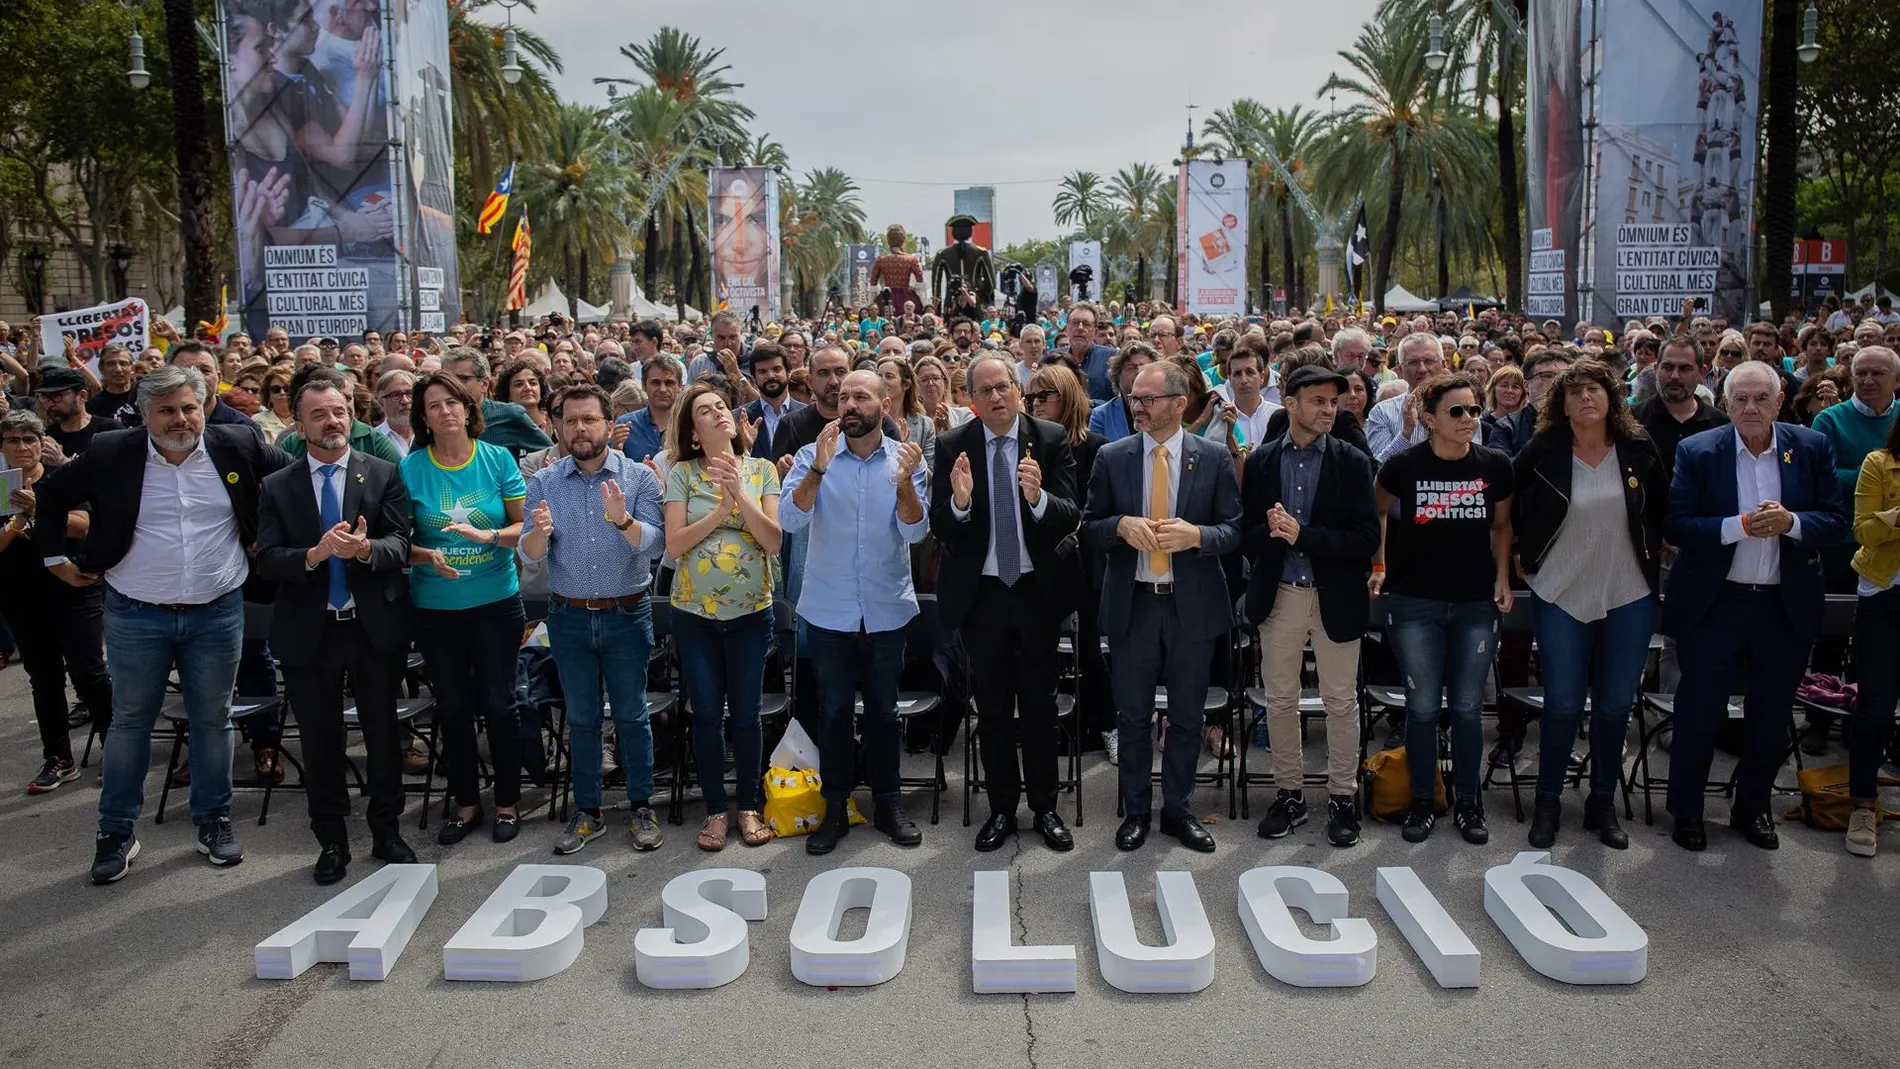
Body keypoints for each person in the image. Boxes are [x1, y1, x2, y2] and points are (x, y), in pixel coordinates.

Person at [34, 366, 293, 884]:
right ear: (146, 414)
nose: (181, 419)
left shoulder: (237, 443)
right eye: (168, 410)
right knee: (131, 723)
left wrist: (270, 541)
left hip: (217, 611)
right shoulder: (111, 452)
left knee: (213, 719)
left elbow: (293, 481)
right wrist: (54, 558)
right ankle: (116, 832)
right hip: (135, 612)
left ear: (205, 406)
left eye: (190, 408)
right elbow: (52, 494)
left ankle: (214, 820)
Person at [1662, 362, 1848, 852]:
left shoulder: (1810, 447)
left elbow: (1835, 522)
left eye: (1760, 398)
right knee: (1699, 714)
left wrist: (1792, 522)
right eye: (1740, 398)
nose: (1750, 408)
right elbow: (1677, 526)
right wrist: (1739, 526)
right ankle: (1687, 811)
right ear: (1725, 403)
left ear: (1779, 399)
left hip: (1782, 607)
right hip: (1716, 605)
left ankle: (1753, 809)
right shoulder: (1698, 450)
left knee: (1769, 719)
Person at [254, 374, 416, 884]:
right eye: (319, 414)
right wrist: (314, 555)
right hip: (311, 631)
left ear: (352, 415)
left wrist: (366, 550)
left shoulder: (383, 472)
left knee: (382, 734)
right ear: (298, 425)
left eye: (339, 411)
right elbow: (267, 560)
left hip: (372, 629)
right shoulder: (276, 486)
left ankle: (387, 829)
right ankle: (331, 839)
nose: (332, 422)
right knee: (321, 740)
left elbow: (402, 545)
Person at [1082, 360, 1241, 854]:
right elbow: (1089, 525)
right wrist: (1118, 528)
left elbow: (1235, 530)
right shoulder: (1113, 455)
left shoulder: (1212, 457)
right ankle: (1135, 812)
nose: (1139, 407)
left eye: (1149, 399)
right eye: (1134, 398)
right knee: (1132, 717)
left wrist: (1198, 536)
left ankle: (1178, 809)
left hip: (1190, 607)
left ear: (1180, 403)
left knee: (1188, 716)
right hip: (1135, 607)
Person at [1511, 360, 1667, 850]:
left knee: (1615, 704)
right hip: (1561, 588)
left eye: (1595, 389)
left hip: (1628, 590)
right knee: (1560, 703)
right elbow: (1513, 508)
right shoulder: (1542, 449)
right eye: (1574, 391)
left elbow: (1660, 511)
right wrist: (1522, 553)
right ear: (1561, 402)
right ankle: (1548, 802)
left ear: (1611, 397)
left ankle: (1603, 802)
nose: (1585, 398)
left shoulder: (1638, 449)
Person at [931, 354, 1080, 853]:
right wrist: (959, 501)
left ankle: (1045, 808)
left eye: (1004, 387)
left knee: (1039, 707)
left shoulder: (1051, 439)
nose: (997, 397)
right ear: (971, 399)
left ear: (1019, 390)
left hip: (1036, 593)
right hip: (983, 595)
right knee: (991, 709)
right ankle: (1000, 809)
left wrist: (1037, 499)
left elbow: (1070, 513)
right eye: (985, 390)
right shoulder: (954, 445)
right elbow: (942, 528)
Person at [779, 369, 929, 855]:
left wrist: (906, 484)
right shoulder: (811, 457)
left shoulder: (905, 459)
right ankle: (835, 807)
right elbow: (790, 519)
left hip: (885, 608)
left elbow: (915, 533)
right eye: (843, 397)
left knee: (885, 712)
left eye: (860, 397)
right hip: (829, 609)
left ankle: (888, 803)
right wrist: (818, 470)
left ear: (884, 406)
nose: (848, 404)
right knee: (835, 711)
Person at [518, 383, 667, 855]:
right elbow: (529, 553)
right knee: (581, 719)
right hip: (569, 616)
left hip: (627, 613)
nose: (580, 429)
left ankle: (642, 806)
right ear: (558, 426)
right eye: (571, 421)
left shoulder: (639, 479)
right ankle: (588, 812)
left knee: (631, 714)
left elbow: (656, 545)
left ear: (609, 424)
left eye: (589, 419)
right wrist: (538, 537)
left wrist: (622, 520)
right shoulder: (544, 481)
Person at [1371, 373, 1514, 845]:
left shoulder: (1495, 466)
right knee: (1423, 707)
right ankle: (1421, 800)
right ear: (1428, 419)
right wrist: (1379, 563)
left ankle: (1469, 803)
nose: (1469, 419)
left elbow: (1501, 527)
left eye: (1474, 410)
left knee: (1471, 708)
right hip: (1414, 602)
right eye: (1457, 411)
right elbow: (1377, 509)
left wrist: (1501, 580)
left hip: (1476, 603)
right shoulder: (1402, 465)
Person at [1241, 365, 1379, 847]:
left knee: (1341, 702)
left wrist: (1306, 536)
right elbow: (1246, 537)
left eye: (1332, 401)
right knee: (1281, 701)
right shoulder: (1260, 462)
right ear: (1290, 401)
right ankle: (1290, 794)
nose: (1327, 409)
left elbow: (1367, 539)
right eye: (1317, 400)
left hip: (1335, 596)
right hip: (1279, 594)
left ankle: (1343, 797)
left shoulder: (1353, 461)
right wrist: (1274, 533)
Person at [400, 371, 530, 847]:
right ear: (425, 418)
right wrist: (423, 554)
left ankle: (508, 803)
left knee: (500, 703)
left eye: (453, 402)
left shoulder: (496, 459)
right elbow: (399, 539)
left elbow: (527, 527)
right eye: (434, 405)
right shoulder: (410, 468)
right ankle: (465, 803)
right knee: (452, 707)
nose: (445, 411)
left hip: (496, 601)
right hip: (435, 607)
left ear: (468, 409)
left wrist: (490, 537)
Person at [663, 383, 781, 852]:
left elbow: (772, 540)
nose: (718, 414)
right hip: (694, 614)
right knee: (708, 713)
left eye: (720, 407)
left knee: (748, 715)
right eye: (705, 412)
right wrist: (721, 511)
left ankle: (748, 806)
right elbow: (674, 545)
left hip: (752, 612)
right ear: (694, 433)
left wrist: (740, 495)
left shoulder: (762, 469)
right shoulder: (682, 475)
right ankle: (715, 809)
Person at [0, 411, 113, 794]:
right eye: (13, 440)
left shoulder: (61, 479)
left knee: (88, 672)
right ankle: (59, 758)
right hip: (21, 595)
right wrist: (16, 522)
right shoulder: (0, 487)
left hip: (74, 589)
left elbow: (84, 525)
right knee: (43, 679)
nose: (21, 447)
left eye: (29, 439)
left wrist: (39, 508)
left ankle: (115, 748)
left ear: (41, 443)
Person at [1844, 413, 1900, 856]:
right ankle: (1863, 805)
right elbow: (1862, 529)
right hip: (1884, 596)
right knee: (1876, 707)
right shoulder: (1879, 463)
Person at [1634, 336, 1728, 476]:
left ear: (1701, 372)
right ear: (1656, 368)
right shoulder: (1632, 420)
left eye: (1685, 369)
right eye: (1667, 367)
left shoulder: (1721, 425)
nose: (1675, 376)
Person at [442, 348, 553, 458]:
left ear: (485, 384)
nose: (452, 384)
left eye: (462, 379)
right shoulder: (435, 416)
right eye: (447, 379)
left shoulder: (509, 415)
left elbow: (551, 454)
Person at [1365, 333, 1448, 462]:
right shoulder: (1382, 412)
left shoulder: (1463, 408)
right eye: (1413, 363)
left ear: (1443, 364)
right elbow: (1378, 467)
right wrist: (1406, 432)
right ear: (1399, 370)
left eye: (1429, 361)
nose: (1422, 369)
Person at [1490, 347, 1578, 456]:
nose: (1557, 383)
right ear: (1527, 385)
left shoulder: (1581, 421)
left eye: (1563, 377)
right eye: (1547, 376)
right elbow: (1501, 470)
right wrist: (1538, 441)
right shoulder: (1507, 426)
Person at [36, 367, 123, 459]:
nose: (50, 403)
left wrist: (62, 462)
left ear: (82, 396)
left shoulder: (110, 431)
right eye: (44, 396)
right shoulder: (46, 438)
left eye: (57, 396)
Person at [616, 352, 683, 464]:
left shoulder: (690, 424)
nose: (662, 389)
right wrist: (615, 450)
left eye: (669, 383)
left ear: (680, 386)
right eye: (655, 383)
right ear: (643, 385)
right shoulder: (626, 425)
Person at [741, 340, 801, 461]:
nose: (770, 376)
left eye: (776, 369)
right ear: (754, 377)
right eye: (762, 371)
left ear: (788, 372)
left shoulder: (808, 414)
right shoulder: (740, 419)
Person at [876, 354, 937, 468]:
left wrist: (906, 451)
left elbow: (930, 477)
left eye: (889, 376)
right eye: (879, 376)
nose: (882, 381)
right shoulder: (870, 418)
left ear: (906, 384)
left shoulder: (925, 425)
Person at [1064, 305, 1119, 402]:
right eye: (1075, 323)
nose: (1080, 328)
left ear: (1095, 331)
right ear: (1067, 328)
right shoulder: (1054, 358)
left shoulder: (1112, 357)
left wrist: (1091, 404)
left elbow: (1120, 400)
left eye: (1086, 324)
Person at [498, 360, 553, 437]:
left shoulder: (554, 419)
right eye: (519, 385)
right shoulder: (501, 428)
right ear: (508, 394)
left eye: (533, 383)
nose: (528, 388)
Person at [88, 345, 140, 426]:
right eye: (111, 364)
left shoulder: (147, 392)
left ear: (132, 368)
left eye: (123, 363)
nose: (118, 369)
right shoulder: (92, 407)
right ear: (101, 369)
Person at [374, 368, 417, 457]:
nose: (405, 401)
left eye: (410, 393)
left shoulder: (432, 434)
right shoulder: (374, 440)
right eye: (396, 395)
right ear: (381, 402)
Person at [255, 365, 294, 443]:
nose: (282, 393)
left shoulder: (304, 418)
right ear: (268, 395)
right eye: (276, 389)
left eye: (287, 388)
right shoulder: (258, 421)